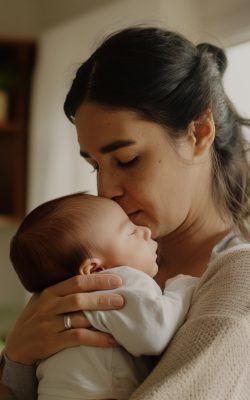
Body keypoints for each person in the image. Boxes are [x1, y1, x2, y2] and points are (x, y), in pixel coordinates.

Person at [1, 26, 250, 400]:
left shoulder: (238, 279)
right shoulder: (96, 259)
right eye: (95, 166)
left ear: (199, 132)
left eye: (127, 159)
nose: (106, 190)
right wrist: (17, 359)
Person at [10, 191, 198, 399]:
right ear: (95, 271)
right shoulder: (118, 280)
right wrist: (182, 287)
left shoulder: (49, 312)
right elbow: (155, 333)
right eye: (131, 232)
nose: (145, 231)